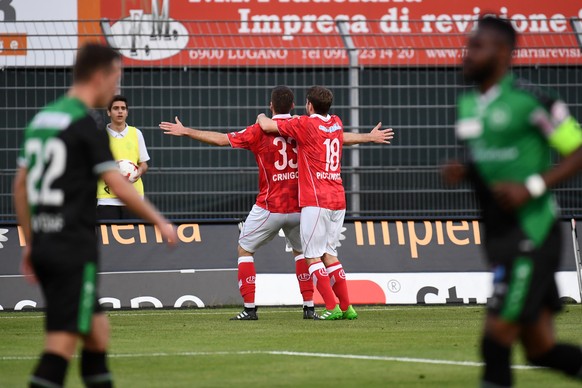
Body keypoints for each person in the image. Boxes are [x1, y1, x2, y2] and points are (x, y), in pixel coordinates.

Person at [12, 43, 177, 388]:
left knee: (98, 333)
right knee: (60, 343)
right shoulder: (85, 124)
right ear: (100, 75)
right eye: (115, 78)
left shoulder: (43, 118)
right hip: (72, 245)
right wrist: (159, 221)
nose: (115, 88)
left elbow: (21, 186)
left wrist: (30, 241)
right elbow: (117, 184)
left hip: (48, 242)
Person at [160, 86, 393, 320]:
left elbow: (222, 140)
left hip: (272, 206)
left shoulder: (265, 129)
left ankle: (250, 308)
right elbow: (338, 137)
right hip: (301, 207)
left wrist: (186, 130)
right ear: (293, 106)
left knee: (245, 249)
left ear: (272, 105)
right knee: (303, 253)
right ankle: (309, 306)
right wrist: (368, 137)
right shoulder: (305, 125)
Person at [442, 16, 582, 387]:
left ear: (502, 52)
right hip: (500, 236)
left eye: (476, 47)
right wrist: (466, 171)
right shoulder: (469, 103)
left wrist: (532, 186)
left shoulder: (530, 101)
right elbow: (492, 162)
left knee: (496, 339)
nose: (467, 54)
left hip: (531, 234)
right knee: (540, 350)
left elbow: (578, 150)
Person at [258, 86, 366, 320]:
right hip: (338, 197)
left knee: (311, 256)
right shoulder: (336, 122)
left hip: (316, 200)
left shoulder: (305, 125)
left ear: (309, 105)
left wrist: (260, 116)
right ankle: (347, 308)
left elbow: (267, 125)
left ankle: (331, 307)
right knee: (330, 253)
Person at [97, 95, 150, 220]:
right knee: (108, 238)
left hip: (133, 197)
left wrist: (139, 171)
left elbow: (144, 163)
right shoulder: (100, 135)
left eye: (123, 108)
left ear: (127, 112)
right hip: (107, 198)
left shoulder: (136, 133)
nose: (120, 111)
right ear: (109, 112)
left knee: (135, 237)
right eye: (115, 108)